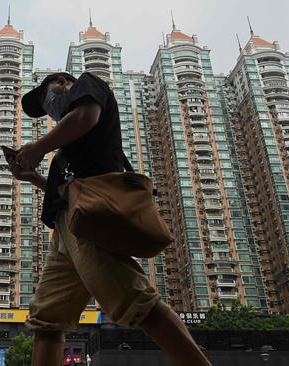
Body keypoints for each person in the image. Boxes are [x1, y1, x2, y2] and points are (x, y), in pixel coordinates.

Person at [12, 71, 212, 366]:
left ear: (63, 82)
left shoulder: (87, 85)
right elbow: (65, 191)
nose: (48, 107)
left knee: (135, 301)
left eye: (46, 96)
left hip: (92, 220)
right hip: (64, 230)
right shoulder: (65, 150)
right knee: (47, 319)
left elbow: (85, 116)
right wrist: (34, 178)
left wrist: (38, 148)